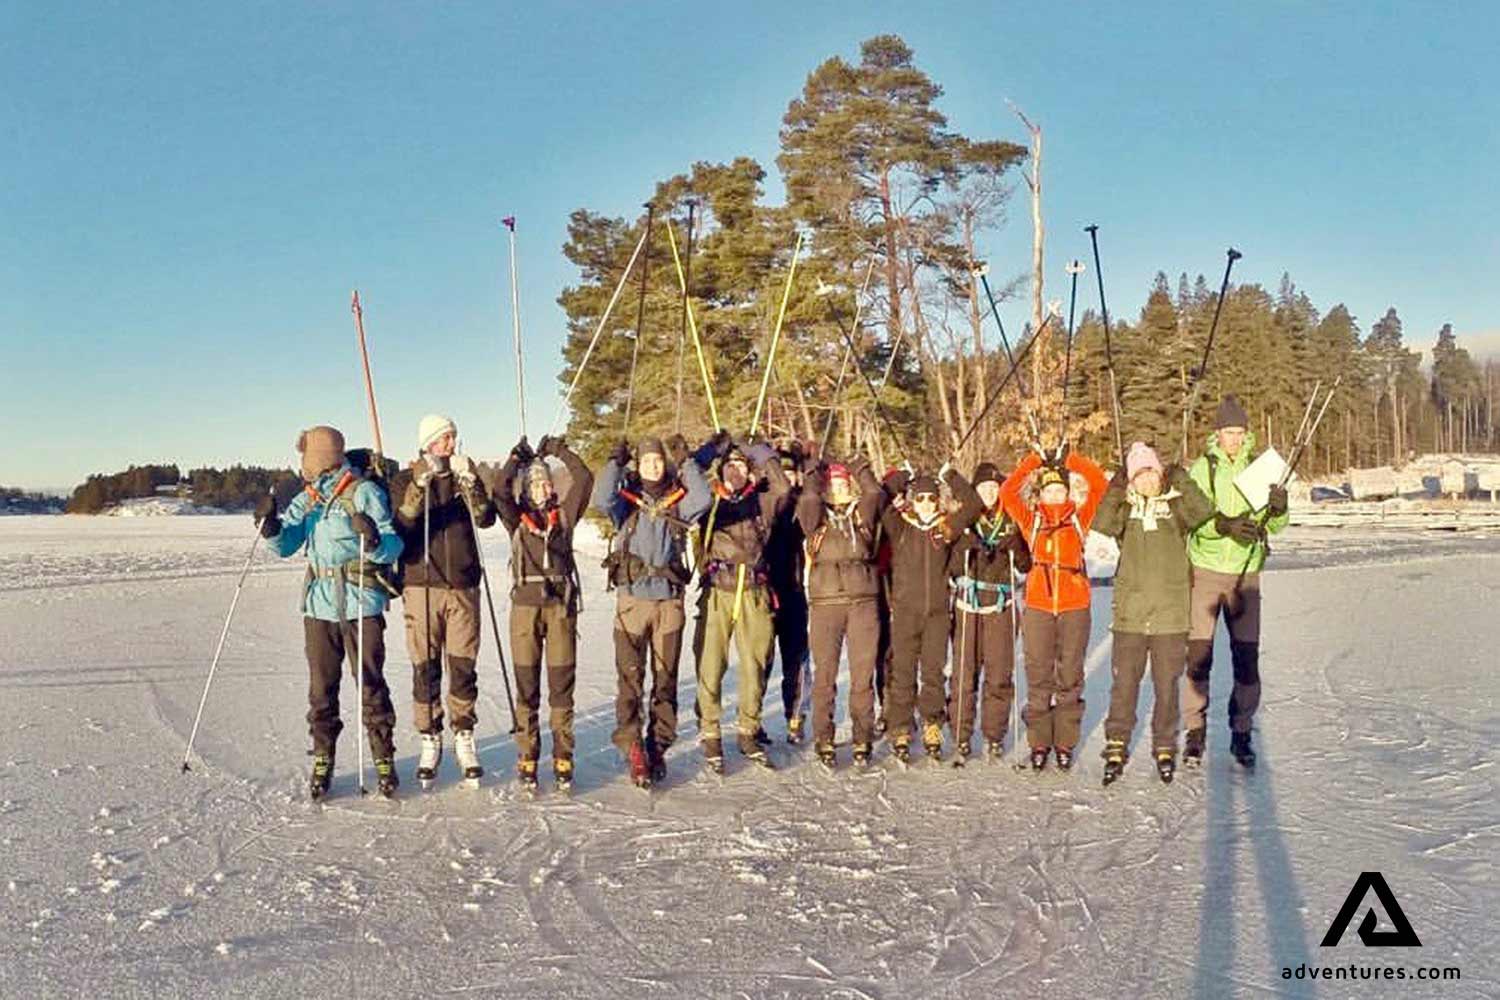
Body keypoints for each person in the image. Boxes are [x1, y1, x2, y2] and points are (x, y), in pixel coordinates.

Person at [254, 425, 404, 799]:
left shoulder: (364, 492)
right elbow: (287, 545)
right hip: (319, 606)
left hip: (360, 603)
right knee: (322, 689)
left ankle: (383, 758)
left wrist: (373, 538)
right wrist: (271, 528)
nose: (303, 466)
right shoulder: (308, 500)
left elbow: (393, 545)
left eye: (306, 458)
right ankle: (323, 758)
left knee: (370, 684)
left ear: (319, 458)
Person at [592, 434, 712, 787]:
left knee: (665, 680)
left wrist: (687, 461)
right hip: (632, 603)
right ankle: (633, 748)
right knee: (630, 679)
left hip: (669, 602)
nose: (653, 466)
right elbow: (600, 497)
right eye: (646, 461)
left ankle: (657, 745)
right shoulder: (625, 504)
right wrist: (616, 462)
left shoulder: (679, 501)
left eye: (658, 460)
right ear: (638, 464)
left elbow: (703, 499)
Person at [1091, 442, 1214, 785]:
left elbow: (1204, 512)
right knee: (1125, 684)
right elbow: (1101, 523)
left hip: (1170, 616)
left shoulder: (1175, 508)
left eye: (1152, 475)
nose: (1147, 482)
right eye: (1139, 476)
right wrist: (1117, 485)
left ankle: (1164, 744)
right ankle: (1116, 742)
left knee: (1166, 685)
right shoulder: (1125, 512)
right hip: (1130, 615)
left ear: (1160, 477)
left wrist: (1181, 478)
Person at [1184, 395, 1290, 768]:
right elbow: (1193, 519)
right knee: (1199, 658)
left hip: (1247, 576)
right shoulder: (1203, 469)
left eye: (1239, 432)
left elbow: (1275, 526)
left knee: (1246, 660)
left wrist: (1279, 508)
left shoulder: (1259, 469)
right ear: (1218, 433)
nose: (1234, 438)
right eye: (1228, 432)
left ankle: (1241, 733)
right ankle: (1195, 732)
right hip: (1207, 572)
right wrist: (1224, 525)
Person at [391, 414, 495, 788]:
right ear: (429, 443)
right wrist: (421, 484)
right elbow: (402, 525)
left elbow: (486, 521)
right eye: (446, 438)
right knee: (425, 667)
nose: (452, 444)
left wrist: (473, 487)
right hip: (421, 584)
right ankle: (429, 738)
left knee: (463, 665)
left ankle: (464, 736)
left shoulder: (465, 476)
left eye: (453, 437)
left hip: (462, 585)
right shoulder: (406, 478)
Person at [999, 445, 1108, 772]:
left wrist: (1070, 459)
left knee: (1070, 675)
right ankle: (1039, 742)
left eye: (1060, 489)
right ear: (1042, 494)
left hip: (1075, 604)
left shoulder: (1079, 518)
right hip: (1039, 605)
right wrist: (1035, 461)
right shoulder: (1031, 521)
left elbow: (1100, 484)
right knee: (1038, 674)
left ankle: (1064, 741)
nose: (1056, 495)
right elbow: (1007, 492)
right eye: (1050, 490)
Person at [494, 434, 594, 790]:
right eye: (534, 484)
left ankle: (563, 753)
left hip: (560, 610)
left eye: (545, 483)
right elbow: (499, 494)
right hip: (525, 610)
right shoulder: (516, 520)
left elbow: (584, 479)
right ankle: (527, 754)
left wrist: (559, 452)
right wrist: (513, 460)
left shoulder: (563, 518)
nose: (540, 489)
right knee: (527, 687)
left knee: (561, 687)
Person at [692, 432, 792, 773]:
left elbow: (782, 487)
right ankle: (710, 732)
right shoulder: (708, 502)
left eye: (740, 465)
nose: (734, 470)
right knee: (711, 665)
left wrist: (758, 450)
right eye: (729, 465)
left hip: (753, 591)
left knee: (754, 665)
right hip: (718, 591)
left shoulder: (761, 501)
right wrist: (712, 450)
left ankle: (748, 730)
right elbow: (687, 474)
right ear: (720, 472)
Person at [880, 463, 983, 763]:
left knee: (934, 674)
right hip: (905, 612)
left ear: (938, 500)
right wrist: (904, 479)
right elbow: (879, 499)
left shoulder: (945, 527)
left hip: (937, 613)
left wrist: (949, 475)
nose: (926, 504)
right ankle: (900, 727)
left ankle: (931, 725)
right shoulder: (900, 526)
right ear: (913, 500)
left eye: (931, 498)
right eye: (921, 498)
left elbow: (974, 504)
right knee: (902, 673)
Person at [797, 455, 886, 767]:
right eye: (832, 485)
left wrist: (859, 468)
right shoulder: (815, 517)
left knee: (863, 676)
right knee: (826, 674)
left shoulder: (861, 514)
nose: (838, 490)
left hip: (863, 602)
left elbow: (875, 493)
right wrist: (813, 473)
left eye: (842, 484)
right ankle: (824, 736)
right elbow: (807, 497)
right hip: (825, 604)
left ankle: (863, 735)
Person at [947, 461, 1031, 761]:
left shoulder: (1011, 519)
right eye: (984, 487)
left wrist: (1016, 547)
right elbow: (949, 565)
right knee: (964, 673)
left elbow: (1024, 566)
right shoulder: (965, 519)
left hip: (1000, 606)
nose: (990, 493)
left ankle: (994, 734)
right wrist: (962, 548)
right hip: (968, 605)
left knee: (999, 674)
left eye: (995, 487)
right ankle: (961, 732)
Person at [763, 443, 811, 745]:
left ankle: (796, 715)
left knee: (796, 659)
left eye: (792, 472)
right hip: (765, 590)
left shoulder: (805, 505)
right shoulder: (764, 503)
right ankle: (751, 717)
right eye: (784, 473)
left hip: (793, 591)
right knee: (760, 659)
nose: (788, 478)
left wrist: (809, 461)